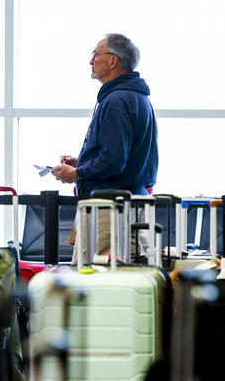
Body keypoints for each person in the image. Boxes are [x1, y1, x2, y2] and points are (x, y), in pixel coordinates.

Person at [51, 33, 157, 256]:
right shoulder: (137, 98)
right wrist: (84, 162)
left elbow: (113, 161)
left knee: (99, 281)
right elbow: (128, 158)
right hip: (129, 203)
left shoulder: (116, 101)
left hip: (109, 209)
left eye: (95, 55)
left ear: (113, 61)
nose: (91, 61)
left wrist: (77, 173)